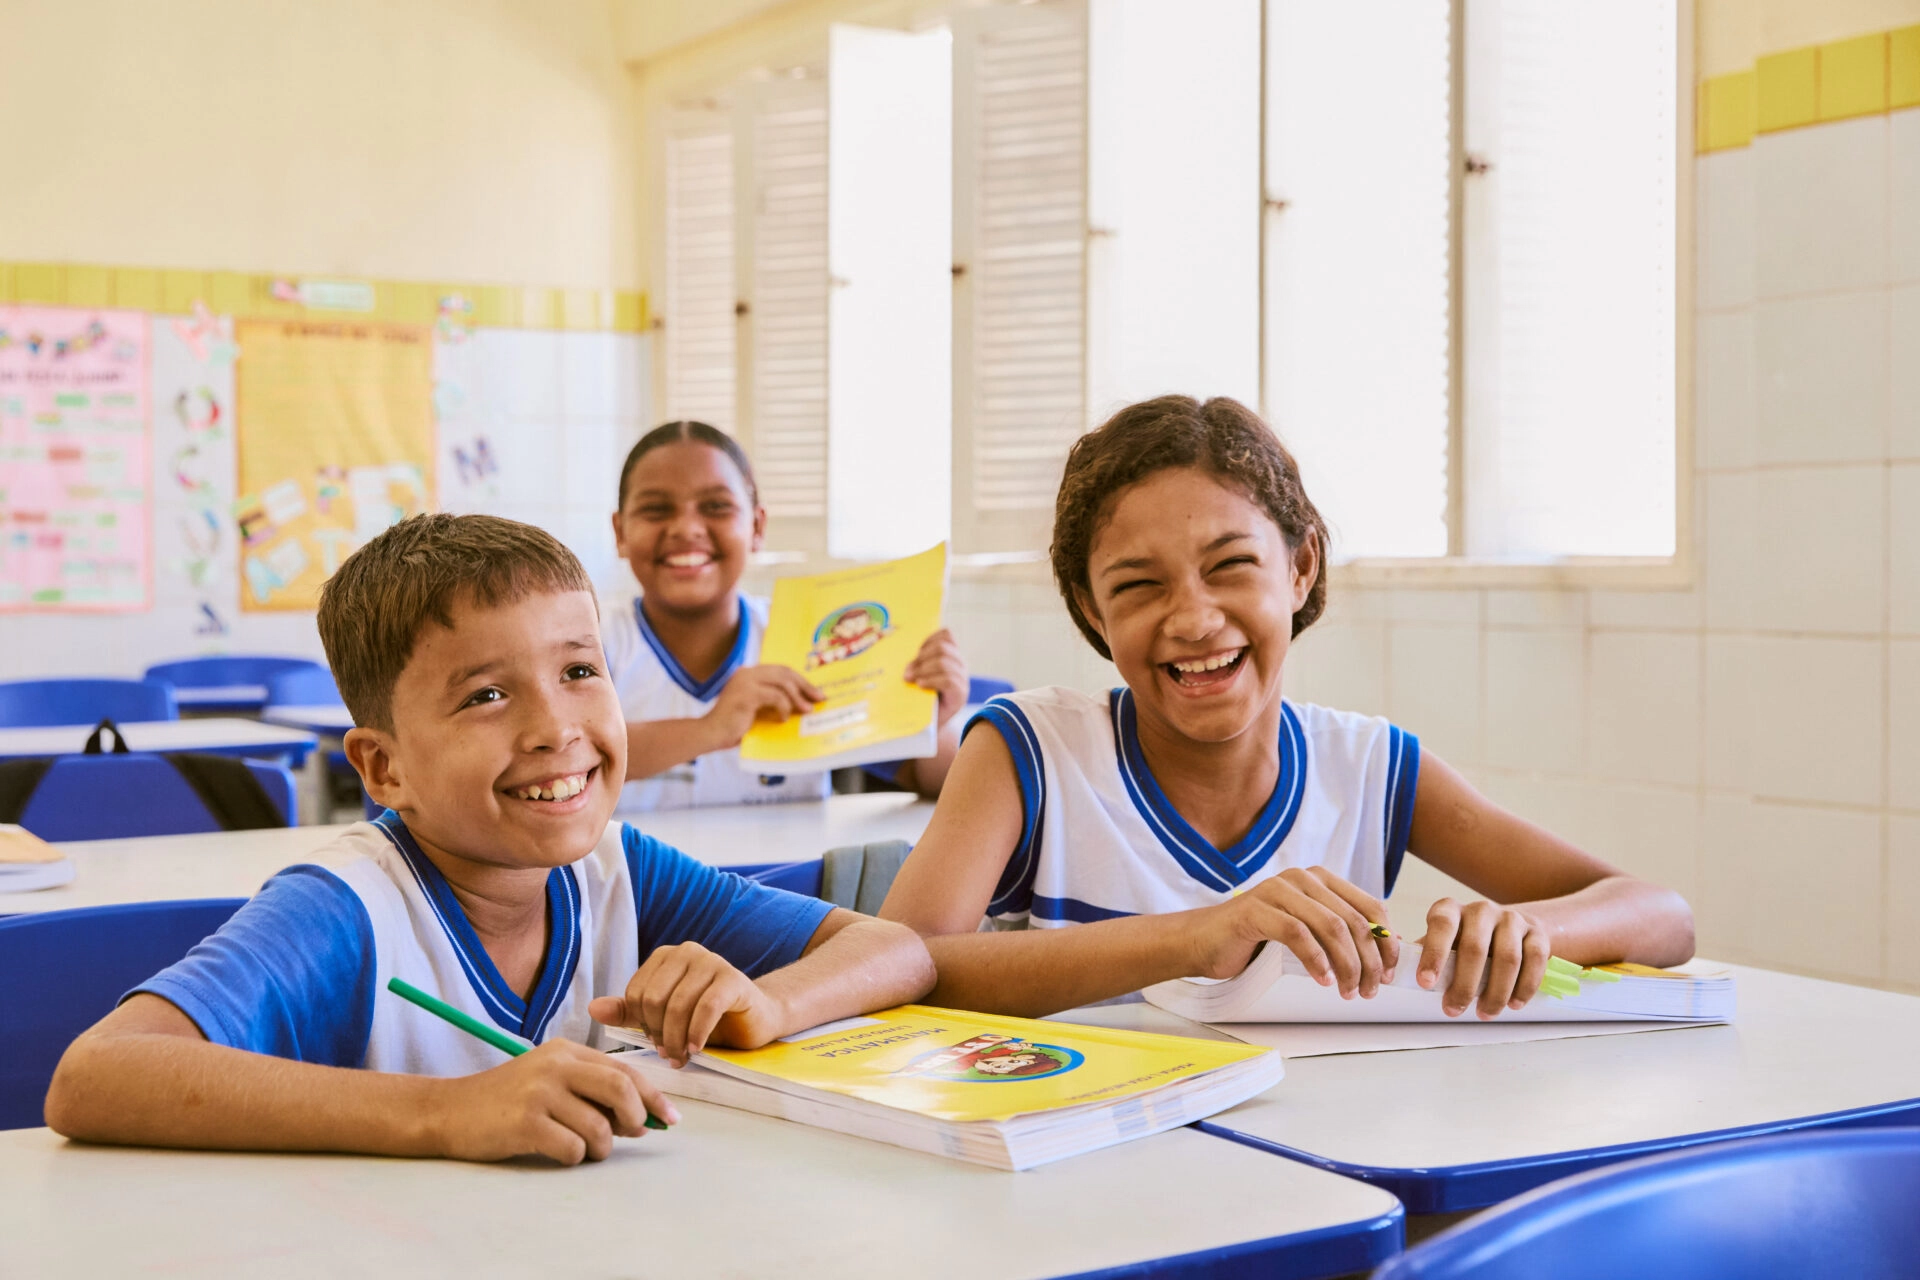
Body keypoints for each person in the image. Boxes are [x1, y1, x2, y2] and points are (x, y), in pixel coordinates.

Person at [46, 514, 935, 1164]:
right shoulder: (348, 908)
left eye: (580, 671)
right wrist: (444, 1114)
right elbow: (95, 1077)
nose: (558, 727)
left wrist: (769, 1004)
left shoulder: (617, 869)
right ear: (384, 768)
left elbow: (895, 951)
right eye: (486, 695)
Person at [880, 395, 1694, 1019]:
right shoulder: (1030, 752)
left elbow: (1661, 915)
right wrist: (1202, 936)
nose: (1194, 618)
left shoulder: (1370, 768)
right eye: (1138, 585)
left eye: (1231, 565)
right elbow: (902, 958)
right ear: (1091, 611)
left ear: (1300, 568)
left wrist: (1530, 934)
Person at [605, 420, 970, 808]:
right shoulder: (591, 646)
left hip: (791, 870)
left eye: (716, 507)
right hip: (640, 872)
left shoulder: (812, 639)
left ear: (757, 526)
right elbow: (567, 761)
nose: (686, 528)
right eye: (656, 509)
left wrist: (931, 722)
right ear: (620, 532)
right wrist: (709, 730)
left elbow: (932, 778)